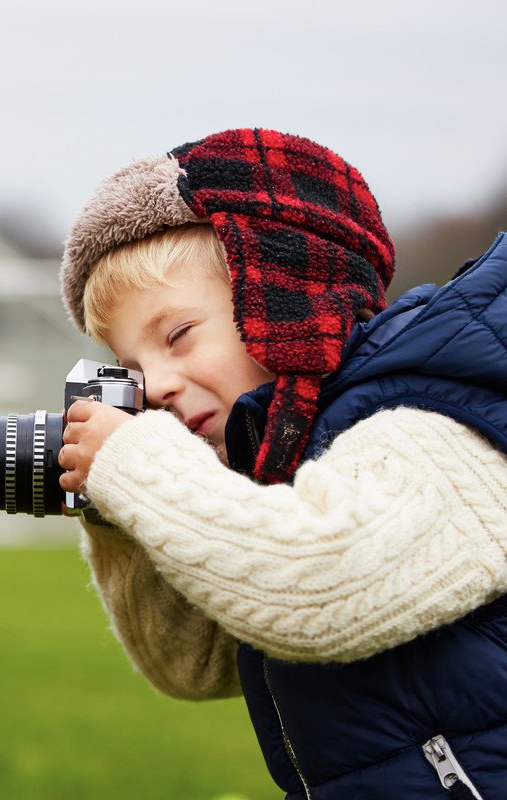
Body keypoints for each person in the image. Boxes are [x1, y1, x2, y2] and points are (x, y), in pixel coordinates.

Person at [56, 127, 507, 800]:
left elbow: (319, 584)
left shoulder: (431, 424)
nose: (157, 386)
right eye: (133, 370)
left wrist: (139, 464)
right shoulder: (293, 458)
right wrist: (120, 514)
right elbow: (194, 666)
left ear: (285, 292)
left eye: (177, 335)